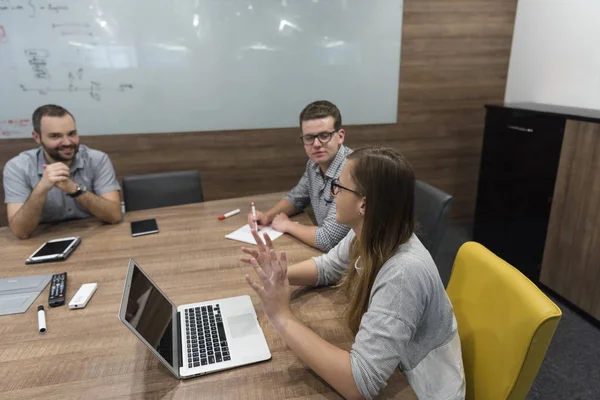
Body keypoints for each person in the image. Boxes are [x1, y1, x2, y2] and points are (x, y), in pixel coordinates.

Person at [240, 147, 465, 399]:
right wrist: (280, 276)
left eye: (339, 187)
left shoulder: (403, 272)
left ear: (364, 203)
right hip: (396, 367)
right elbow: (327, 267)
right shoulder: (368, 232)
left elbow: (359, 383)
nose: (333, 194)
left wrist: (281, 316)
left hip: (422, 387)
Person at [3, 104, 122, 239]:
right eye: (55, 136)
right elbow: (20, 232)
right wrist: (41, 188)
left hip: (94, 234)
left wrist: (75, 189)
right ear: (37, 137)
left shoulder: (97, 159)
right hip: (43, 240)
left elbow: (114, 215)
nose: (67, 142)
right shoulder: (17, 167)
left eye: (72, 134)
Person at [248, 100, 351, 252]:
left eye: (324, 135)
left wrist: (287, 225)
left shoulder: (352, 172)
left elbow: (328, 239)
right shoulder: (313, 164)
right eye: (309, 138)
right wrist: (267, 217)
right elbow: (297, 198)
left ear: (340, 136)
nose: (316, 144)